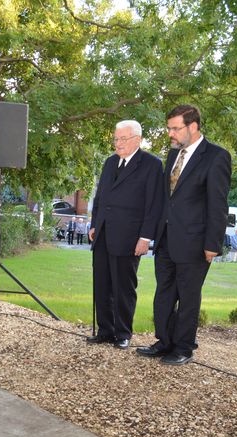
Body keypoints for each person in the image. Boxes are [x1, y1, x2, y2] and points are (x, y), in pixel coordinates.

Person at [136, 104, 231, 366]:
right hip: (166, 238)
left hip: (195, 242)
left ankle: (184, 348)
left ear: (193, 126)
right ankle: (164, 342)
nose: (170, 133)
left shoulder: (216, 156)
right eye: (169, 128)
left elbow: (218, 205)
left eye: (175, 128)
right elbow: (167, 199)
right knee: (164, 293)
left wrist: (212, 244)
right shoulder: (172, 155)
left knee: (188, 297)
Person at [87, 120, 163, 350]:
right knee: (102, 285)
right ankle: (105, 331)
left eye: (123, 139)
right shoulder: (110, 162)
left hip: (129, 238)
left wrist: (145, 238)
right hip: (102, 234)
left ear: (137, 140)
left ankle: (122, 333)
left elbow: (154, 204)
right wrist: (94, 224)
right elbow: (100, 197)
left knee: (123, 288)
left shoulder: (151, 164)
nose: (117, 143)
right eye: (116, 139)